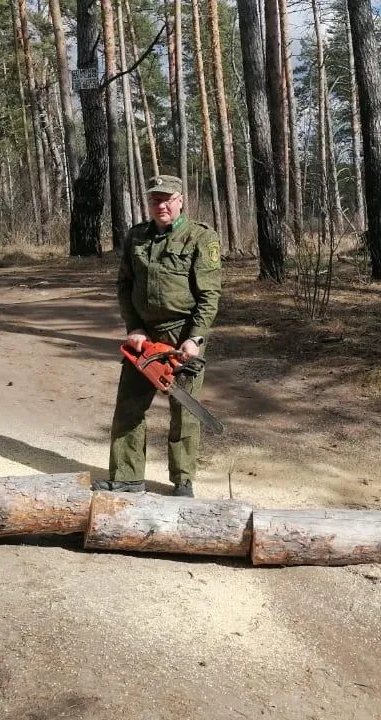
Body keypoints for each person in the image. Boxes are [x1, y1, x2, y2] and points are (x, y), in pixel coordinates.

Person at [99, 175, 222, 498]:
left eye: (167, 199)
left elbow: (209, 295)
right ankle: (126, 478)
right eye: (155, 200)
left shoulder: (200, 237)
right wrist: (134, 327)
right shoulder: (137, 236)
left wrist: (195, 338)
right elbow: (125, 285)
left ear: (180, 200)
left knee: (184, 412)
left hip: (182, 336)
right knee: (129, 406)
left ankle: (183, 482)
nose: (161, 205)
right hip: (144, 338)